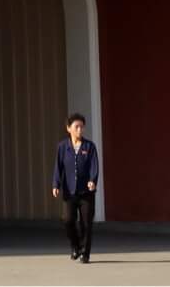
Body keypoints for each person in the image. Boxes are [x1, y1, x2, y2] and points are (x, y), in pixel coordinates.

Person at [50, 112, 100, 263]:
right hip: (69, 191)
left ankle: (85, 253)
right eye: (76, 127)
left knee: (86, 223)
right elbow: (58, 167)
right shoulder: (62, 147)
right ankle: (75, 246)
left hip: (86, 192)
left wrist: (92, 180)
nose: (80, 130)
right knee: (68, 220)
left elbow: (94, 165)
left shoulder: (89, 146)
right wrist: (56, 184)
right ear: (68, 128)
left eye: (82, 127)